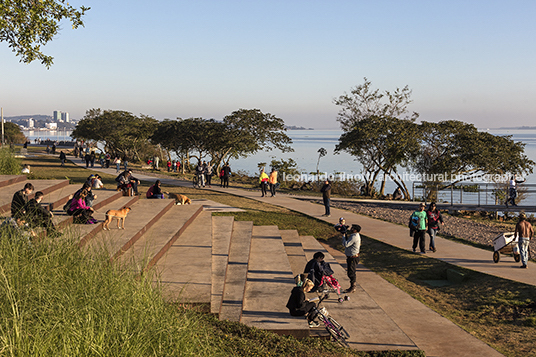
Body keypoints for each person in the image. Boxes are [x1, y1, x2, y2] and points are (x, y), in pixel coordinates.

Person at [342, 224, 361, 293]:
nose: (351, 229)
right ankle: (352, 286)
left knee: (351, 272)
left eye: (352, 228)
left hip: (353, 257)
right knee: (350, 272)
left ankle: (353, 287)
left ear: (355, 230)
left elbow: (346, 244)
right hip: (351, 257)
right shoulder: (353, 236)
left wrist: (343, 236)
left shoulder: (354, 237)